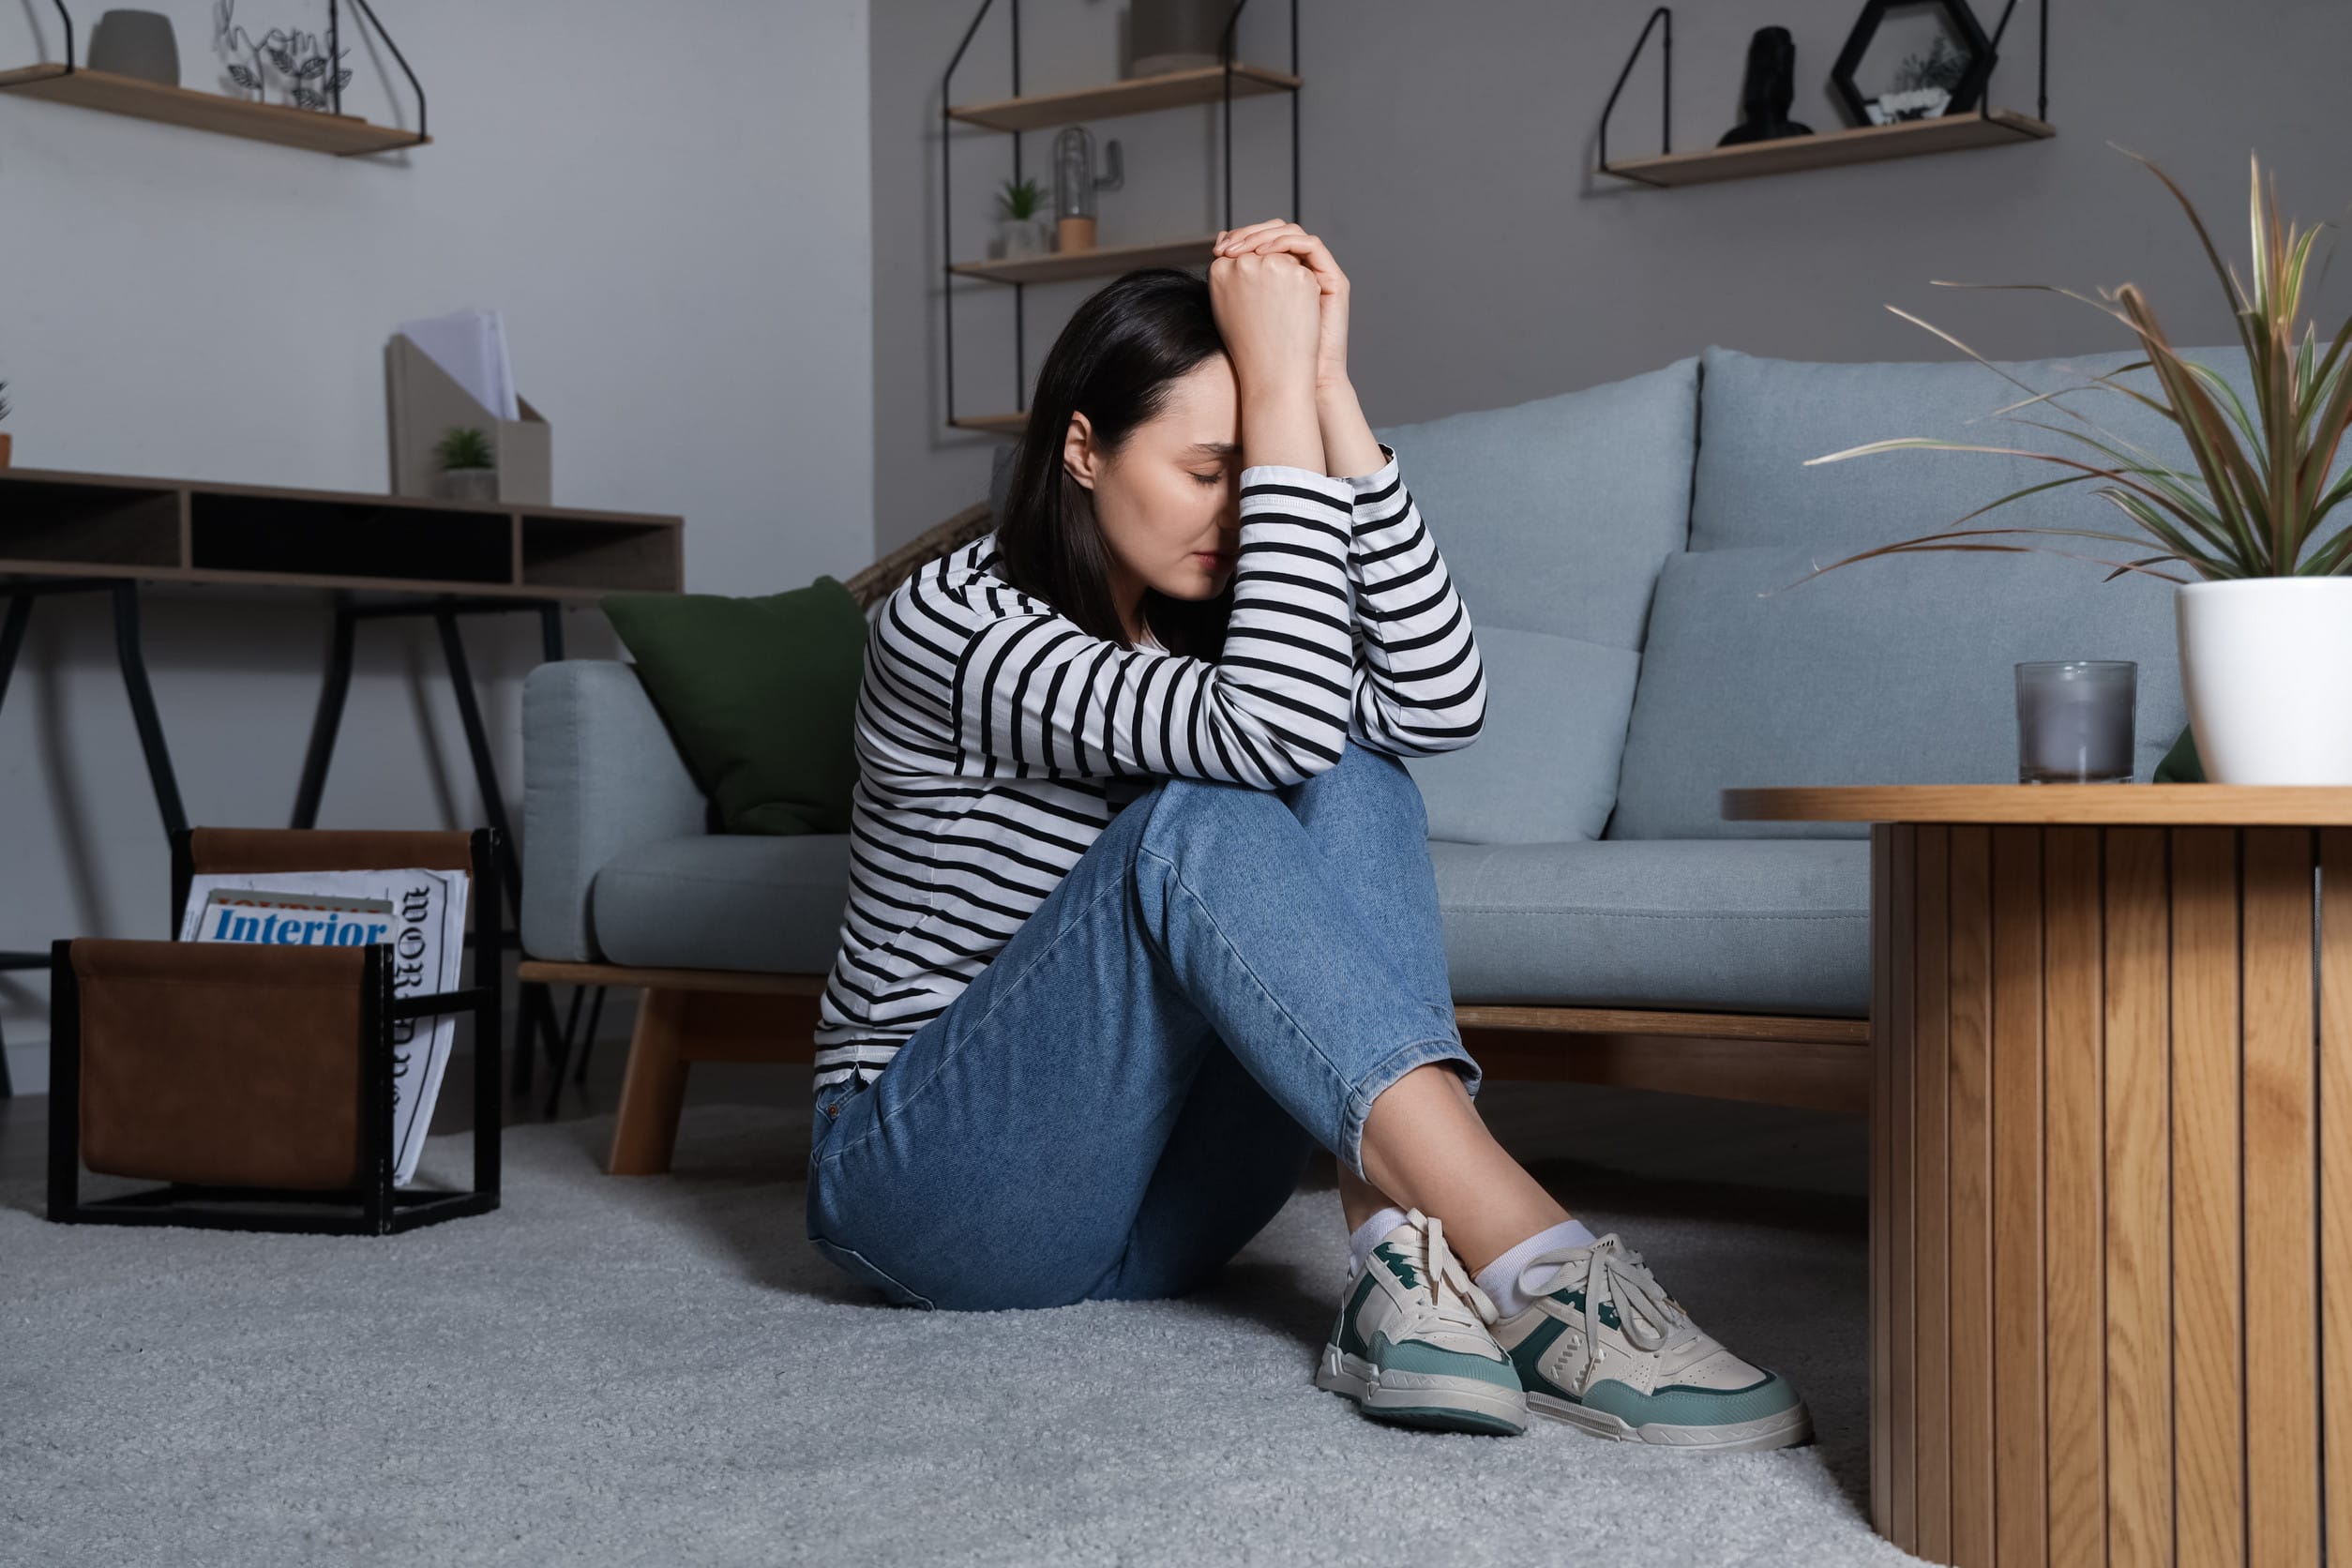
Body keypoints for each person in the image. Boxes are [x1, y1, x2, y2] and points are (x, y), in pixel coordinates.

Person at [804, 220, 1810, 1452]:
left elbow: (1441, 703)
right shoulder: (954, 623)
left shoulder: (1204, 628)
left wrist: (1330, 392)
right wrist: (1275, 388)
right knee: (1209, 807)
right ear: (1082, 448)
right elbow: (1265, 732)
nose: (1236, 511)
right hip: (931, 1189)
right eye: (1208, 467)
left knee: (1359, 769)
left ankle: (1402, 1263)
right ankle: (1537, 1263)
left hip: (1163, 1207)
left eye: (1256, 467)